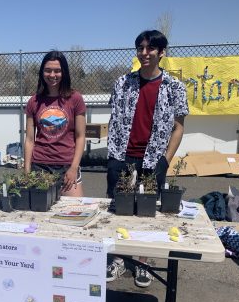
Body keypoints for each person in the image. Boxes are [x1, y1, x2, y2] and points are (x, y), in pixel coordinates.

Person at [106, 30, 189, 287]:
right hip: (123, 156)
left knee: (147, 212)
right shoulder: (123, 83)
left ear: (161, 52)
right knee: (119, 211)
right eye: (140, 48)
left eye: (150, 48)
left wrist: (165, 159)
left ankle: (144, 261)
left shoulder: (174, 87)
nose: (145, 53)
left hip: (153, 159)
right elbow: (115, 117)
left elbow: (178, 127)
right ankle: (118, 258)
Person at [24, 51, 86, 196]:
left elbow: (80, 136)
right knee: (39, 214)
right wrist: (27, 169)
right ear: (42, 72)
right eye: (48, 70)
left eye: (57, 71)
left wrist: (73, 168)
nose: (52, 75)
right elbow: (29, 139)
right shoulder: (33, 102)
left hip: (67, 166)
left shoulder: (75, 99)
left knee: (75, 212)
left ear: (64, 72)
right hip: (40, 166)